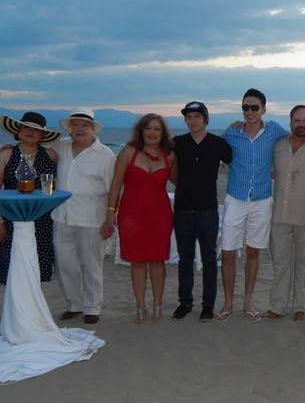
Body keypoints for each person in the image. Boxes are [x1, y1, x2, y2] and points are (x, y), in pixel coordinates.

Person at [218, 89, 289, 322]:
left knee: (253, 252)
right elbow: (217, 152)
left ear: (264, 109)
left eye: (254, 107)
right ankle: (228, 303)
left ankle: (247, 302)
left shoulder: (275, 131)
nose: (249, 112)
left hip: (261, 199)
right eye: (245, 107)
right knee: (227, 253)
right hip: (235, 197)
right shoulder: (232, 131)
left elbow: (296, 141)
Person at [105, 113, 176, 323]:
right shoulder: (129, 152)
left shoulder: (169, 156)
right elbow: (116, 184)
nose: (153, 133)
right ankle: (140, 306)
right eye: (148, 128)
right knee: (136, 262)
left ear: (162, 133)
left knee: (157, 261)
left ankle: (157, 304)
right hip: (131, 216)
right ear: (141, 131)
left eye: (157, 129)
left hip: (160, 215)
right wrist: (110, 212)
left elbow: (184, 183)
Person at [51, 107, 116, 324]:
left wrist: (110, 218)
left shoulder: (105, 155)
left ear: (92, 129)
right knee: (65, 264)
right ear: (69, 129)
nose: (79, 129)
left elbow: (115, 190)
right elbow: (33, 150)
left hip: (92, 219)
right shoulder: (61, 146)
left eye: (84, 125)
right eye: (75, 125)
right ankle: (73, 304)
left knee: (92, 265)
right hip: (62, 216)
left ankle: (92, 307)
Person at [263, 105, 305, 321]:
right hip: (280, 215)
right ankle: (277, 306)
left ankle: (301, 307)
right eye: (297, 121)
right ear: (290, 123)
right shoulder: (278, 146)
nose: (301, 125)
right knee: (280, 264)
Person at [171, 102, 232, 322]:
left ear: (205, 119)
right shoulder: (177, 143)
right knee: (185, 259)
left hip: (208, 210)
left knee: (208, 259)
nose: (193, 120)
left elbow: (239, 162)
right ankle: (185, 303)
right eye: (189, 117)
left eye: (197, 116)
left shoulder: (218, 144)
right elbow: (165, 165)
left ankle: (208, 305)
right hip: (183, 210)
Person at [0, 112, 60, 284]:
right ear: (19, 131)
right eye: (26, 127)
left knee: (36, 271)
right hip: (11, 219)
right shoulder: (6, 154)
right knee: (13, 270)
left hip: (43, 221)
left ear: (42, 135)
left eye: (36, 129)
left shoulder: (51, 155)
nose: (30, 132)